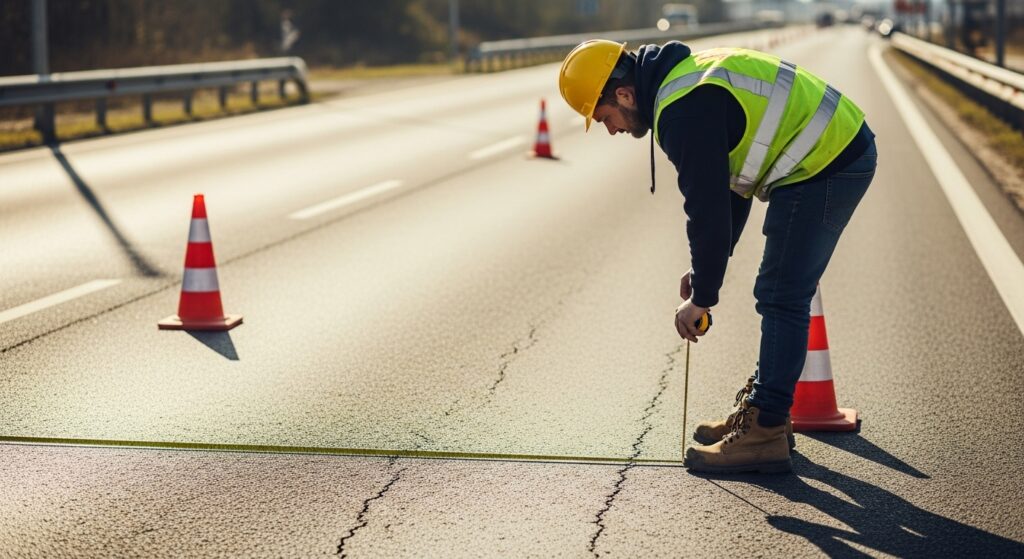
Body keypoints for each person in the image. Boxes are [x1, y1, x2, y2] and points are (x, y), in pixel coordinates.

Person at [558, 40, 876, 474]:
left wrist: (703, 296)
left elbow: (706, 207)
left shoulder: (680, 110)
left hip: (827, 159)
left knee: (782, 293)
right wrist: (705, 272)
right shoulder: (685, 83)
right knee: (780, 291)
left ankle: (763, 432)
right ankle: (770, 410)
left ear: (624, 95)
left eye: (605, 118)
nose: (611, 130)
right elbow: (732, 187)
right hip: (827, 149)